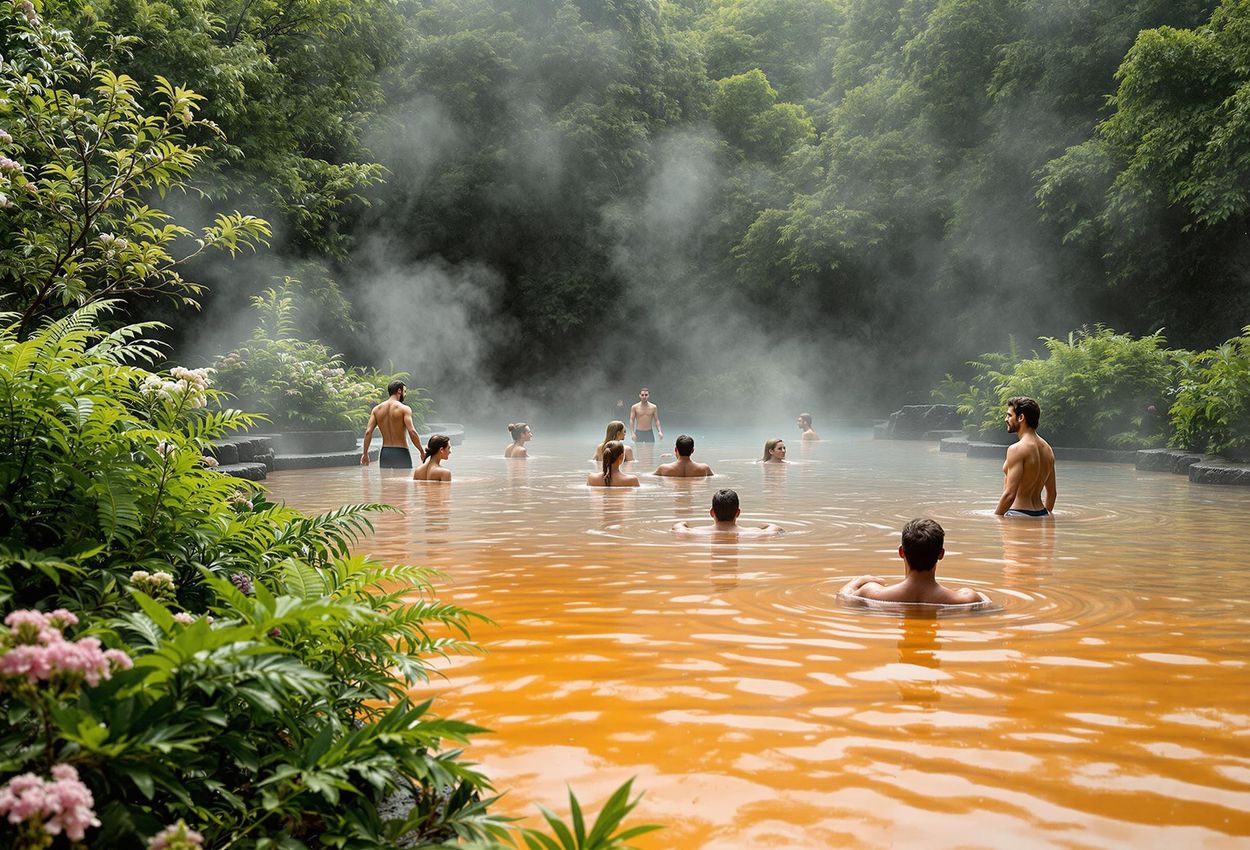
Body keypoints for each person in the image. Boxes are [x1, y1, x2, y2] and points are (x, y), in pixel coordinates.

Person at [840, 518, 986, 605]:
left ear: (901, 552)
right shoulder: (966, 599)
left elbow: (843, 599)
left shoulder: (872, 592)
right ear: (941, 554)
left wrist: (857, 581)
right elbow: (989, 604)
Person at [995, 396, 1057, 518]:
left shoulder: (1016, 449)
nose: (1005, 419)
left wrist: (996, 519)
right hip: (1042, 513)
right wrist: (1045, 518)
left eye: (1009, 415)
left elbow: (1009, 495)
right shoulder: (1048, 449)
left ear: (1021, 418)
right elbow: (1052, 493)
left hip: (1018, 513)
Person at [361, 380, 426, 468]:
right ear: (399, 391)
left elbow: (368, 432)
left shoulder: (377, 410)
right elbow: (412, 432)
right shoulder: (404, 409)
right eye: (405, 391)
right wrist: (421, 451)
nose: (405, 394)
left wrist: (365, 454)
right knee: (403, 480)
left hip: (385, 453)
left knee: (385, 481)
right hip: (401, 452)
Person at [673, 489, 782, 537]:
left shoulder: (697, 532)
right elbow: (775, 528)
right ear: (738, 513)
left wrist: (684, 523)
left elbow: (678, 527)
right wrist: (763, 525)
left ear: (711, 512)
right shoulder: (752, 533)